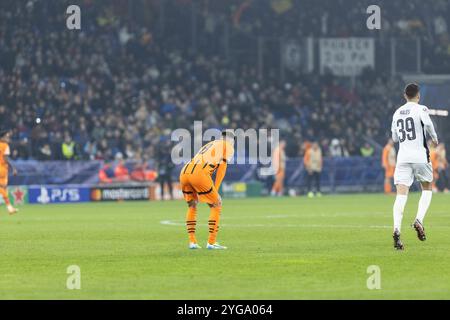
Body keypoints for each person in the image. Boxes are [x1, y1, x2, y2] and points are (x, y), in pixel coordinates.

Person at [390, 83, 438, 250]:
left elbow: (395, 138)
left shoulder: (397, 113)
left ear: (405, 96)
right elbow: (429, 125)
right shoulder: (421, 109)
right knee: (427, 188)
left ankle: (396, 230)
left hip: (403, 158)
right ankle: (419, 220)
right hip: (419, 156)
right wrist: (434, 137)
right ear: (418, 96)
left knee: (401, 195)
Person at [179, 130, 235, 250]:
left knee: (192, 205)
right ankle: (211, 242)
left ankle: (192, 242)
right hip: (199, 174)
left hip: (185, 171)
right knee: (216, 204)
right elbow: (222, 169)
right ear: (231, 140)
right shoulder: (228, 146)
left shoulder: (210, 144)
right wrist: (217, 189)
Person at [0, 129, 19, 214]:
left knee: (2, 189)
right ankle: (9, 207)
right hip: (2, 169)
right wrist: (13, 167)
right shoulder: (5, 146)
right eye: (7, 137)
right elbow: (5, 158)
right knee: (2, 188)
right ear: (2, 137)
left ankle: (9, 207)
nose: (8, 139)